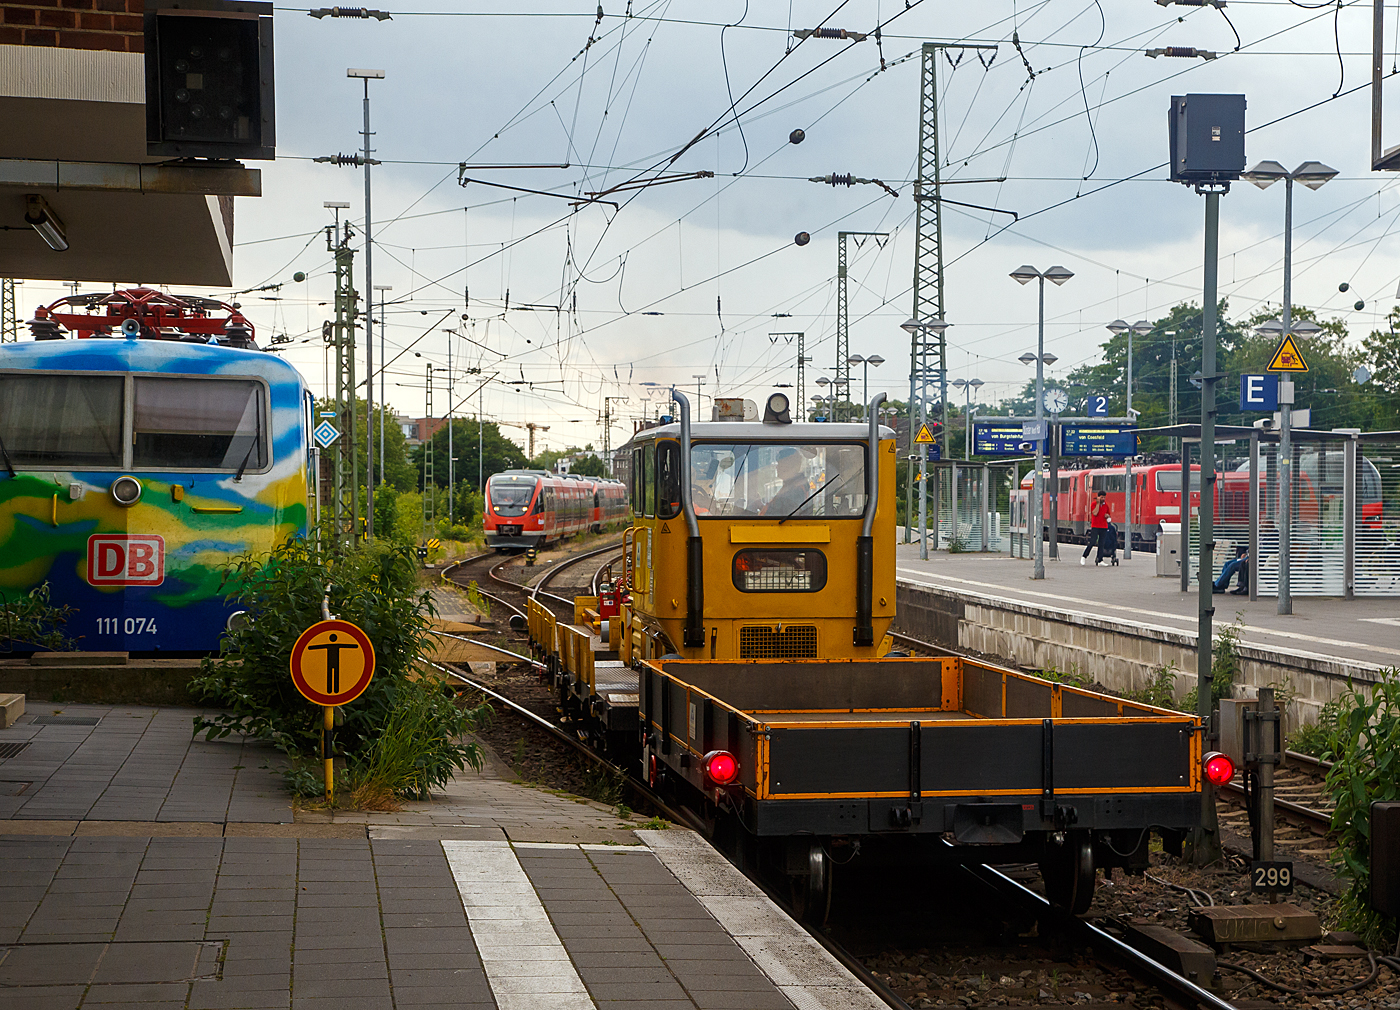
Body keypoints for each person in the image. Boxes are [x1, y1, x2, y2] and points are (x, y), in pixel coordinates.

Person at [763, 448, 813, 516]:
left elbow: (786, 516)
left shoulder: (795, 491)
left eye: (780, 464)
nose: (777, 467)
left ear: (788, 466)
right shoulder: (791, 486)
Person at [1082, 490, 1111, 566]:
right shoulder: (1093, 504)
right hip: (1095, 526)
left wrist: (1107, 516)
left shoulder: (1106, 505)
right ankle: (1084, 556)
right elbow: (1095, 513)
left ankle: (1100, 559)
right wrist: (1098, 504)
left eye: (1104, 497)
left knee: (1101, 544)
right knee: (1092, 541)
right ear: (1098, 497)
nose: (1103, 499)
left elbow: (1108, 514)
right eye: (1101, 497)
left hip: (1103, 526)